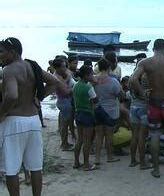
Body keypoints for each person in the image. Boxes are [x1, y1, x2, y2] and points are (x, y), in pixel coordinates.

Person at [0, 37, 60, 196]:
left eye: (1, 52)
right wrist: (38, 98)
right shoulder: (32, 66)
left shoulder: (9, 70)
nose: (0, 56)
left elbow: (12, 96)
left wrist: (1, 114)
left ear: (12, 52)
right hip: (33, 120)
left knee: (11, 168)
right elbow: (54, 82)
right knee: (35, 166)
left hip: (14, 122)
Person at [130, 39, 164, 178]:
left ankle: (156, 169)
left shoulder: (145, 63)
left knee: (155, 135)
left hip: (154, 103)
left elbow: (133, 79)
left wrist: (142, 92)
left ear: (153, 48)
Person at [94, 58, 123, 164]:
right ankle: (109, 157)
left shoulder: (94, 80)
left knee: (98, 135)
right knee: (109, 135)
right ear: (109, 67)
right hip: (110, 111)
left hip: (97, 109)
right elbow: (120, 95)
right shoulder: (113, 81)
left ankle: (97, 158)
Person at [129, 54, 153, 169]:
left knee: (134, 135)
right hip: (144, 108)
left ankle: (133, 160)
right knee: (142, 137)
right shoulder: (147, 77)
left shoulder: (132, 77)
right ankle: (143, 162)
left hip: (133, 107)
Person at [72, 65, 98, 171]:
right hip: (87, 114)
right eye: (91, 74)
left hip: (78, 113)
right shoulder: (88, 87)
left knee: (80, 139)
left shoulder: (76, 85)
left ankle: (76, 162)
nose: (93, 75)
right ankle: (86, 164)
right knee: (87, 141)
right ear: (87, 75)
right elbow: (95, 99)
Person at [52, 57, 76, 151]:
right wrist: (75, 88)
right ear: (57, 68)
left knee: (65, 124)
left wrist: (68, 77)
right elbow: (65, 92)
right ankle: (64, 145)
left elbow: (64, 84)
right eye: (63, 67)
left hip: (64, 101)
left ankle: (65, 143)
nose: (65, 68)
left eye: (65, 66)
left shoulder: (60, 75)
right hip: (64, 102)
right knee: (64, 125)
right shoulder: (56, 77)